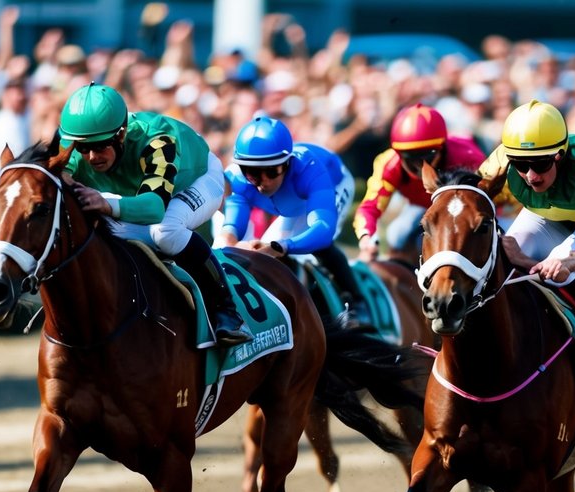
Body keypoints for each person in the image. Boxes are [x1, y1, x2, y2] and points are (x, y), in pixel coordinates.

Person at [59, 82, 249, 346]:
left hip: (197, 179)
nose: (91, 157)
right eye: (83, 148)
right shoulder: (73, 140)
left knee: (166, 232)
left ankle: (226, 310)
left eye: (101, 146)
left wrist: (106, 204)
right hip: (139, 190)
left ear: (121, 134)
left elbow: (154, 208)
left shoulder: (157, 140)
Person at [477, 99, 575, 384]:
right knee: (504, 255)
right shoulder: (501, 160)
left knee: (558, 262)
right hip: (543, 217)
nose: (531, 176)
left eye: (541, 163)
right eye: (521, 165)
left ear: (560, 154)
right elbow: (469, 202)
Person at [215, 115, 368, 327]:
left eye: (271, 170)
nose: (264, 182)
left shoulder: (309, 169)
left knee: (314, 248)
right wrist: (227, 241)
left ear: (287, 163)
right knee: (265, 256)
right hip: (293, 203)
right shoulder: (238, 178)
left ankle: (358, 302)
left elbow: (322, 228)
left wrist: (282, 247)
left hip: (334, 184)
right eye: (253, 173)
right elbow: (232, 227)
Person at [353, 103, 485, 264]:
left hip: (467, 209)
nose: (419, 166)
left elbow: (489, 199)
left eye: (427, 157)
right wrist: (366, 238)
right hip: (423, 207)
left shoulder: (468, 157)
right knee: (396, 233)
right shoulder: (389, 163)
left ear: (442, 148)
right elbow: (370, 208)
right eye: (410, 158)